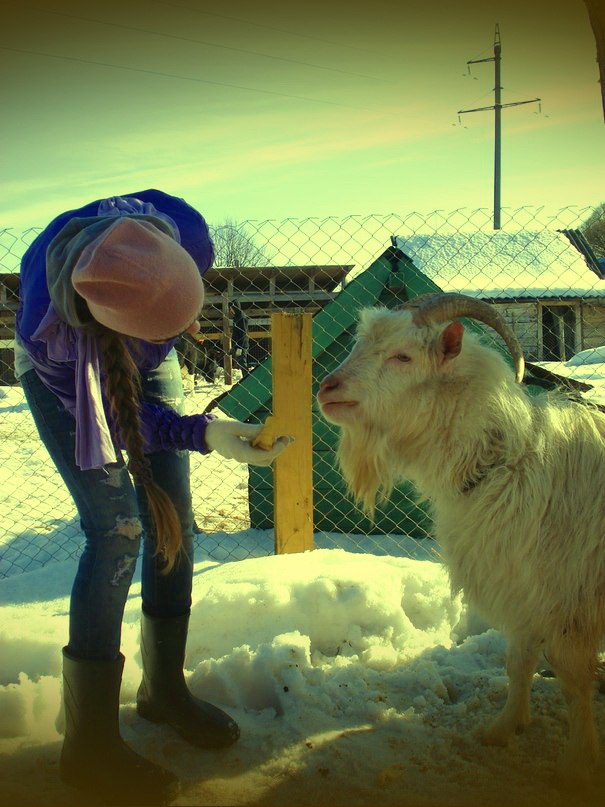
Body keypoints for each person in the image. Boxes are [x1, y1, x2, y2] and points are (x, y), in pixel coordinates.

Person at [15, 189, 291, 806]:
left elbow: (165, 336)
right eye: (174, 329)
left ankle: (163, 691)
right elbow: (124, 421)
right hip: (80, 358)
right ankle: (87, 749)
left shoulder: (185, 228)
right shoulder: (51, 335)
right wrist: (197, 431)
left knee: (176, 523)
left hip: (130, 325)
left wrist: (209, 432)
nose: (194, 331)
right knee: (117, 531)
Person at [230, 299, 250, 377]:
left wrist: (240, 347)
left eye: (231, 308)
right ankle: (245, 377)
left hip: (242, 345)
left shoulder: (242, 318)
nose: (231, 310)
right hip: (237, 344)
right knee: (240, 362)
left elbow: (243, 333)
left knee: (242, 362)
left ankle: (247, 378)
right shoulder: (236, 317)